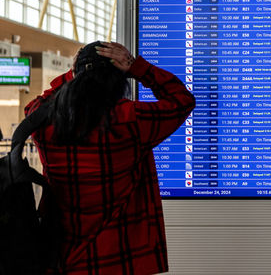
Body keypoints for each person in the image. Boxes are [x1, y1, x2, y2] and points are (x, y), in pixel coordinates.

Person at [23, 41, 195, 274]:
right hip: (119, 257)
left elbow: (37, 104)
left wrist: (75, 73)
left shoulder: (44, 122)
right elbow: (181, 100)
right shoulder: (130, 119)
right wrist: (137, 67)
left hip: (60, 258)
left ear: (75, 76)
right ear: (118, 80)